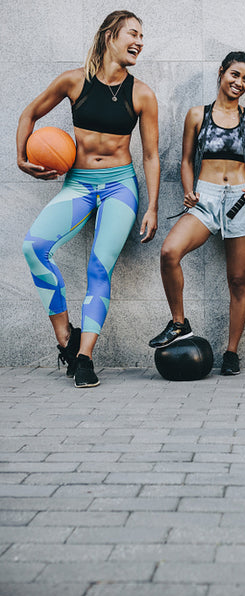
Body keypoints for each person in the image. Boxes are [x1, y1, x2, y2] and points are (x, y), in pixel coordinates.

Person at [18, 10, 160, 387]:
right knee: (34, 247)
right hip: (79, 183)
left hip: (119, 186)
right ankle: (66, 338)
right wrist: (21, 160)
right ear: (110, 35)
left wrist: (152, 206)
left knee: (100, 267)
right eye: (133, 33)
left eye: (142, 37)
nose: (139, 42)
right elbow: (30, 113)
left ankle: (84, 359)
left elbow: (150, 155)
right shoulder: (74, 81)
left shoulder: (142, 93)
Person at [149, 51, 245, 376]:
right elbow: (186, 161)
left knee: (238, 280)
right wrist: (189, 190)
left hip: (241, 199)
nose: (239, 82)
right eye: (235, 75)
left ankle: (231, 352)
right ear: (221, 72)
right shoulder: (196, 115)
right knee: (170, 251)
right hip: (206, 197)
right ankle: (178, 322)